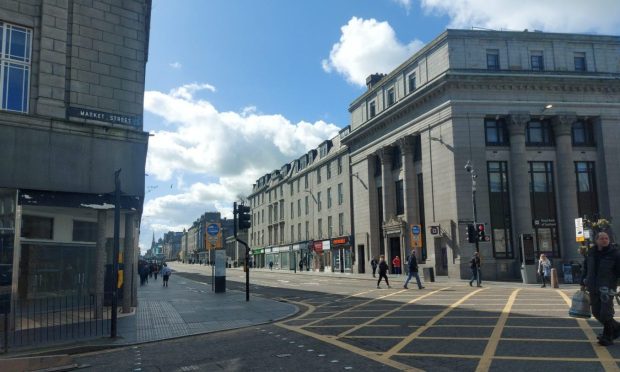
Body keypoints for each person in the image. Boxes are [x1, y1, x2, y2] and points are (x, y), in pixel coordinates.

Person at [581, 232, 620, 346]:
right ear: (596, 240)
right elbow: (586, 268)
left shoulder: (615, 253)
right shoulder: (591, 253)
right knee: (596, 312)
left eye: (606, 238)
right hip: (592, 287)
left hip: (607, 288)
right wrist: (582, 282)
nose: (604, 240)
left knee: (606, 313)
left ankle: (607, 337)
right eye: (602, 238)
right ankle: (616, 329)